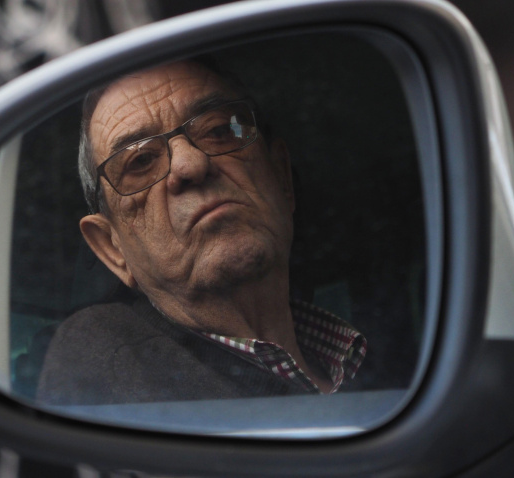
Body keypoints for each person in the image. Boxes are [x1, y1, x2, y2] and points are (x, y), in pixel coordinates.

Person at [37, 60, 368, 405]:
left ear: (282, 178)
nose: (191, 164)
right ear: (112, 249)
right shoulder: (103, 357)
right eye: (140, 161)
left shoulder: (376, 357)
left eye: (218, 130)